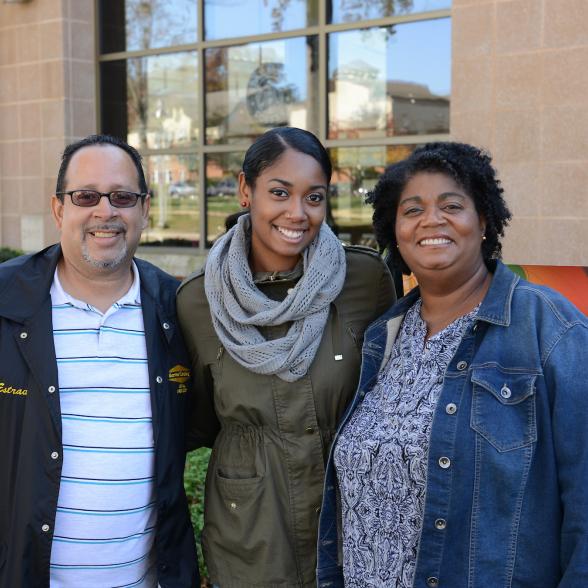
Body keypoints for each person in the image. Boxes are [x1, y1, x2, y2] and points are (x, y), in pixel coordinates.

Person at [317, 142, 588, 587]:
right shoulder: (382, 337)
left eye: (451, 205)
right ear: (395, 229)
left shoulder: (550, 330)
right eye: (412, 210)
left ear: (483, 220)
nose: (431, 220)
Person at [177, 127, 396, 587]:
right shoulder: (198, 302)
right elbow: (196, 420)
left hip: (353, 532)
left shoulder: (363, 280)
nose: (297, 213)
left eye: (313, 197)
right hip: (251, 541)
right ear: (245, 191)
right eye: (280, 192)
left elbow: (390, 399)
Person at [0, 134, 199, 588]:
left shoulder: (180, 310)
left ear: (144, 210)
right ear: (59, 209)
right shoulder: (5, 305)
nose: (105, 211)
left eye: (122, 197)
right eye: (86, 196)